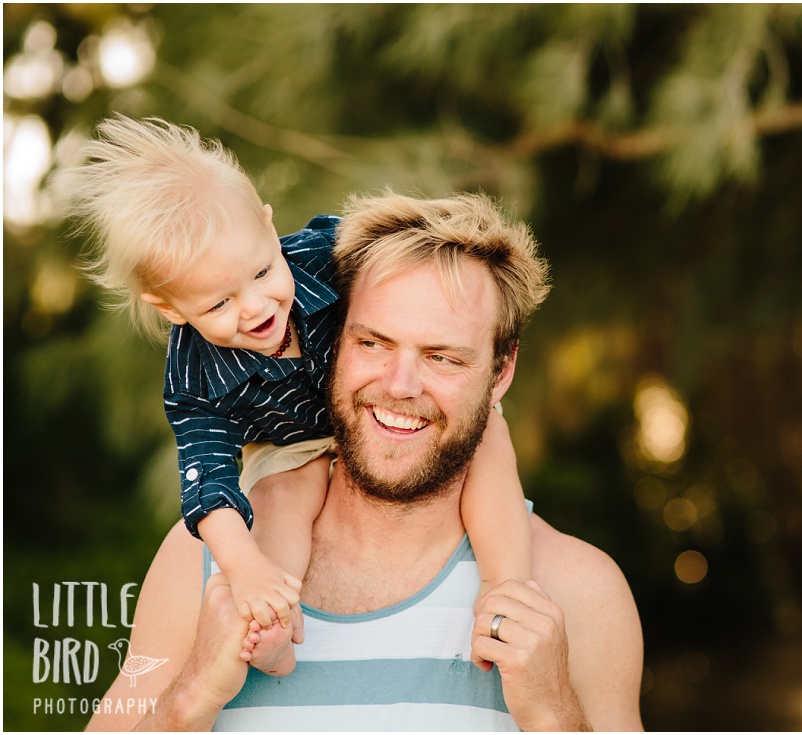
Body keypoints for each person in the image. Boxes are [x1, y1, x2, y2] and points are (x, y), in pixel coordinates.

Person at [85, 191, 645, 731]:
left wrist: (553, 717)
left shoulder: (580, 592)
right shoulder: (207, 564)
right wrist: (191, 697)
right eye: (373, 343)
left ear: (501, 373)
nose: (400, 385)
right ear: (333, 336)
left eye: (443, 357)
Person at [56, 117, 532, 678]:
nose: (256, 307)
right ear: (169, 307)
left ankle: (508, 594)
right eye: (218, 305)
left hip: (370, 400)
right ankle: (272, 628)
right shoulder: (193, 381)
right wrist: (244, 567)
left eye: (261, 271)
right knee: (281, 498)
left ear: (267, 225)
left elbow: (410, 274)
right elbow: (207, 486)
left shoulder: (322, 253)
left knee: (490, 439)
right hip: (291, 441)